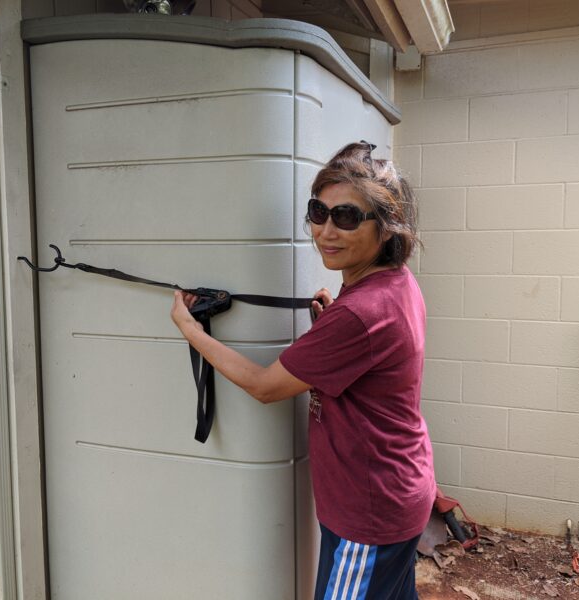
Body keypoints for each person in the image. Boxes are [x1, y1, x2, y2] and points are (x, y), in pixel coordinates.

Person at [170, 141, 435, 600]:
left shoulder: (359, 315)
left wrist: (191, 330)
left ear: (386, 228)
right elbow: (369, 352)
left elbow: (265, 386)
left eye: (347, 217)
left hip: (369, 514)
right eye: (318, 211)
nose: (326, 231)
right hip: (399, 490)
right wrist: (331, 327)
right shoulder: (395, 283)